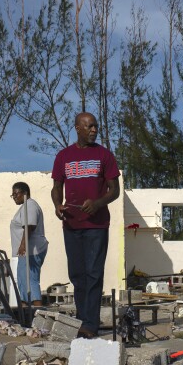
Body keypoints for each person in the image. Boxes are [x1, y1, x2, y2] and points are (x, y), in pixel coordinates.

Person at [51, 112, 120, 338]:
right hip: (71, 225)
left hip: (96, 226)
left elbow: (114, 190)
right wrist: (57, 204)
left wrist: (98, 203)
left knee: (93, 273)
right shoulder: (63, 156)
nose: (93, 130)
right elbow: (56, 187)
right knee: (77, 275)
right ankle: (82, 320)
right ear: (77, 128)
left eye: (95, 126)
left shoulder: (104, 155)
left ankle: (90, 324)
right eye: (88, 126)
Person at [9, 181, 48, 308]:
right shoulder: (25, 206)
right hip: (26, 252)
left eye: (16, 194)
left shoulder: (30, 205)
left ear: (25, 193)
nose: (14, 197)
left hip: (31, 251)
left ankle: (36, 312)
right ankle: (24, 311)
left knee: (31, 281)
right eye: (12, 195)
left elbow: (29, 226)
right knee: (23, 282)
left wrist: (23, 245)